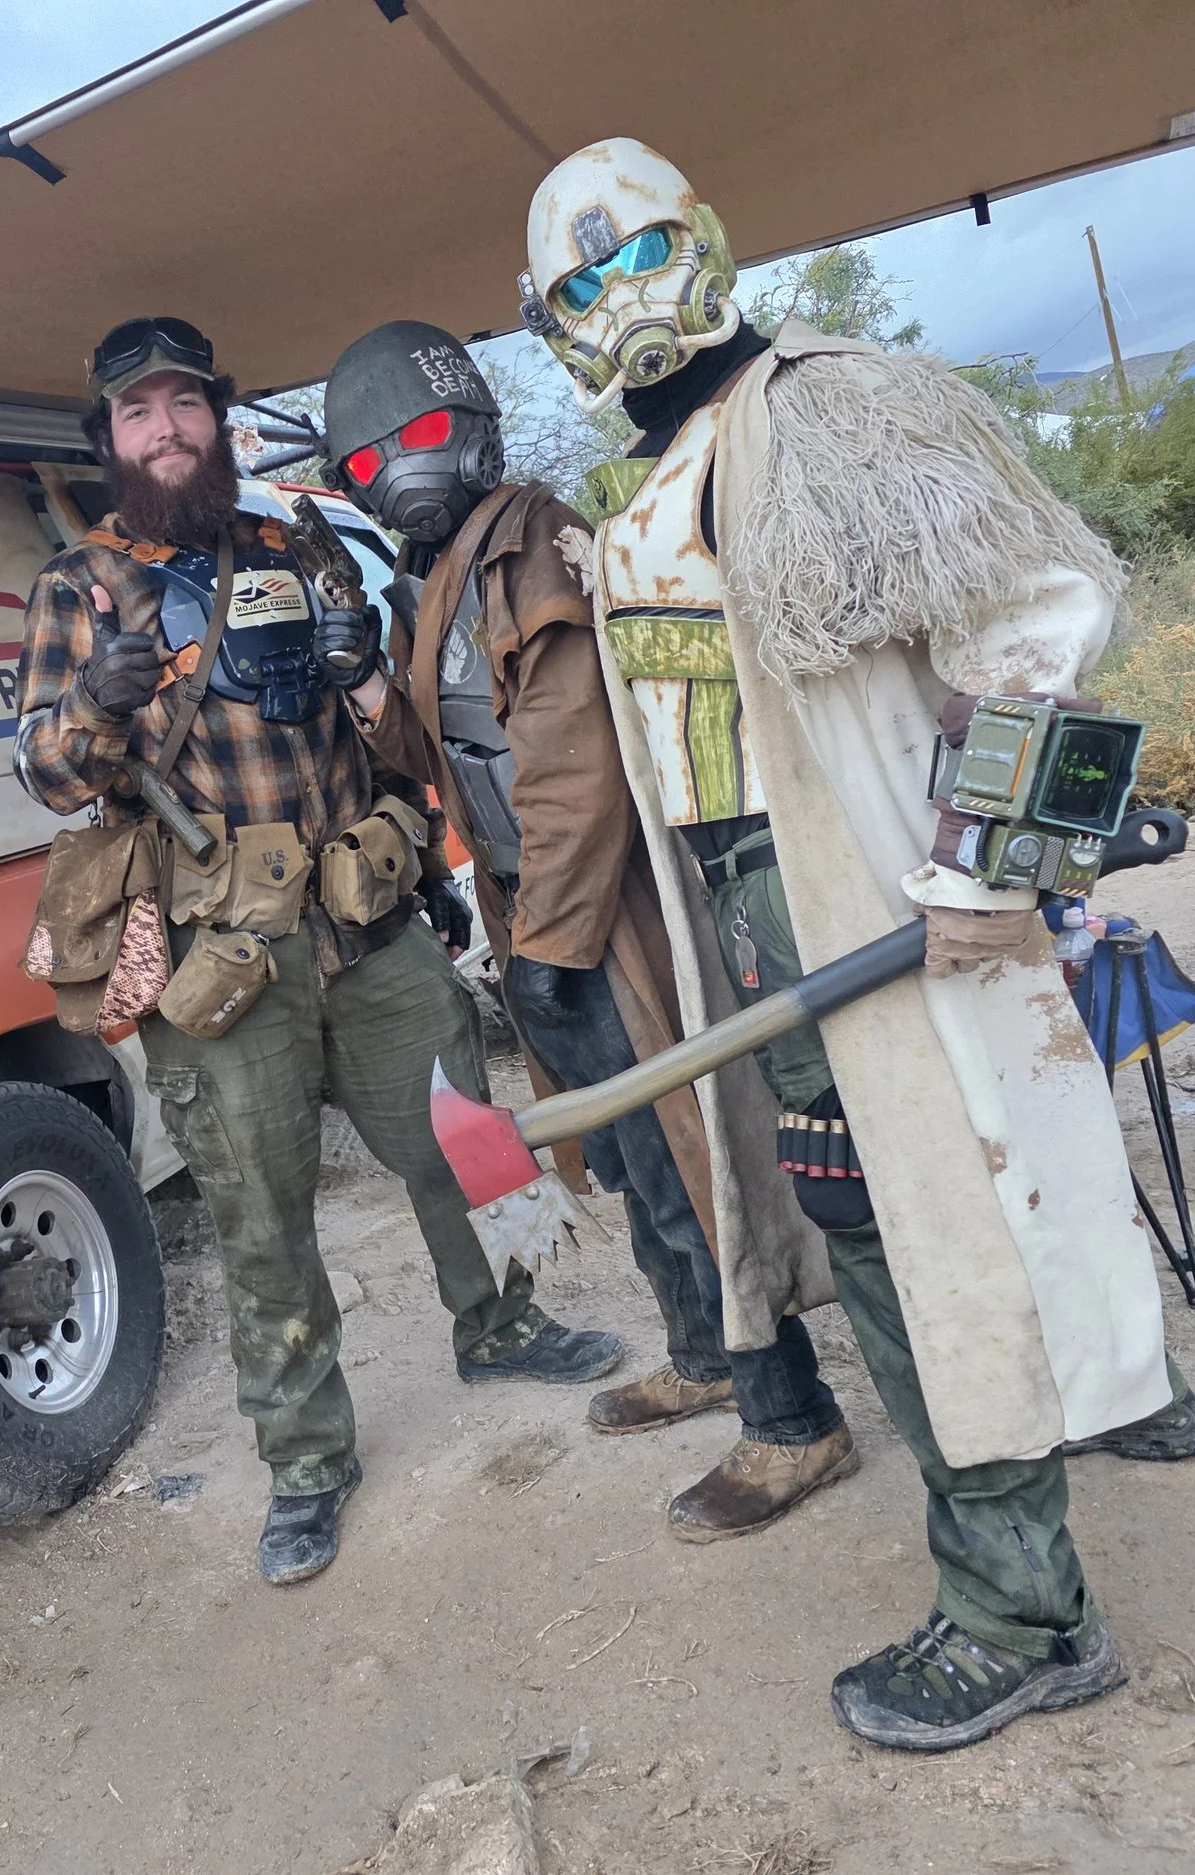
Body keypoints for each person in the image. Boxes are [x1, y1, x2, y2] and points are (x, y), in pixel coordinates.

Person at [515, 139, 1195, 1751]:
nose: (619, 297)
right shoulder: (655, 477)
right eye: (578, 282)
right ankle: (1044, 1494)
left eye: (639, 254)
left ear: (707, 238)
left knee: (956, 1231)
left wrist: (984, 863)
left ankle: (1023, 1611)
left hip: (892, 914)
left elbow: (1040, 611)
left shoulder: (829, 406)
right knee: (877, 1225)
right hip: (768, 933)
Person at [12, 316, 624, 1588]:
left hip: (366, 923)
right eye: (139, 414)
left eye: (186, 405)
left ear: (216, 421)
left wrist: (359, 678)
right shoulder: (76, 588)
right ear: (108, 442)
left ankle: (501, 1322)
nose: (167, 429)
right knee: (258, 1215)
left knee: (467, 1138)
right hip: (222, 960)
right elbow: (42, 772)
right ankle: (305, 1463)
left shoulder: (294, 545)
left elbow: (400, 742)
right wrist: (99, 705)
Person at [321, 320, 859, 1544]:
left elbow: (573, 771)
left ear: (469, 429)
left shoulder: (526, 548)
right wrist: (366, 678)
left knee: (692, 1157)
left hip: (603, 913)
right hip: (536, 913)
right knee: (625, 1163)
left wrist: (551, 951)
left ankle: (792, 1421)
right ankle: (701, 1356)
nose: (394, 471)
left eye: (413, 437)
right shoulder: (447, 572)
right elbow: (446, 757)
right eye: (368, 461)